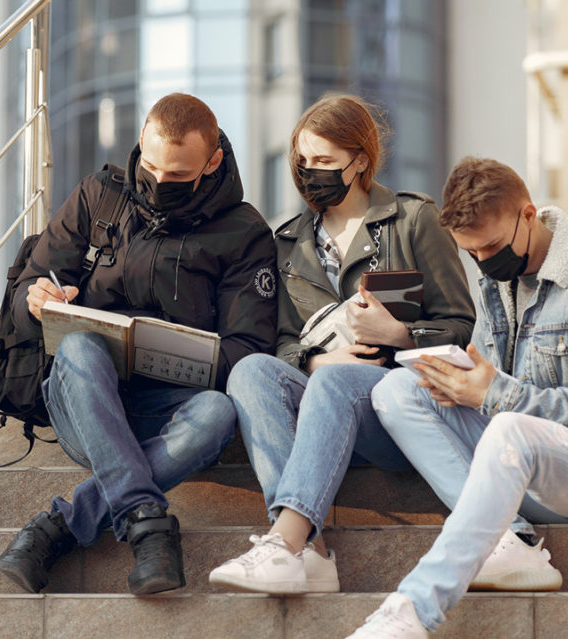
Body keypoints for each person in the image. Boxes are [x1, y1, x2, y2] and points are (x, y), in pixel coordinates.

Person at [347, 156, 568, 637]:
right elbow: (491, 391)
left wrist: (495, 394)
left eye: (492, 247)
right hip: (524, 464)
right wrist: (458, 387)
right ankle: (509, 539)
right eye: (473, 254)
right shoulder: (495, 281)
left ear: (529, 215)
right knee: (399, 389)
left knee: (509, 424)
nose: (485, 263)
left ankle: (412, 611)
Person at [0, 93, 277, 596]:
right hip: (83, 398)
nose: (158, 182)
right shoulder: (97, 195)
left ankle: (60, 525)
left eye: (177, 175)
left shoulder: (244, 233)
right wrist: (36, 301)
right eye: (150, 166)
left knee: (217, 413)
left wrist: (165, 349)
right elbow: (24, 294)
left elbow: (248, 351)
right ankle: (146, 523)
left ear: (212, 163)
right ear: (139, 141)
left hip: (168, 404)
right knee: (81, 347)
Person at [207, 95, 476, 594]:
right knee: (250, 371)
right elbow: (279, 340)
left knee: (336, 379)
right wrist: (313, 359)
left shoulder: (414, 220)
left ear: (360, 161)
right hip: (317, 406)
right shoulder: (285, 243)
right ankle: (308, 550)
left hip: (392, 414)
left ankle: (286, 543)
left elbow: (460, 323)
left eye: (325, 162)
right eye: (303, 162)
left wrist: (398, 336)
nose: (311, 173)